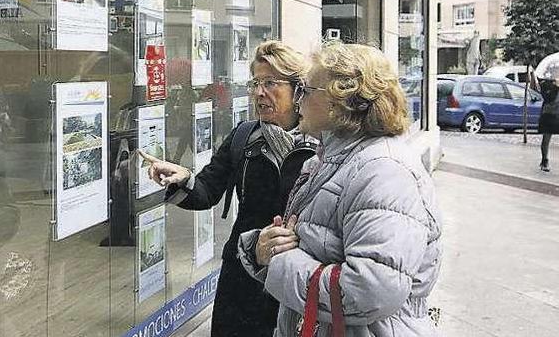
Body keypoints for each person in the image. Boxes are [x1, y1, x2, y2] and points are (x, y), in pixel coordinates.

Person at [238, 42, 442, 336]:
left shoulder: (384, 171)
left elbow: (370, 290)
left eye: (305, 90)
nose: (297, 101)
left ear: (341, 101)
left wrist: (279, 260)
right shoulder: (332, 159)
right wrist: (264, 245)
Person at [139, 40, 317, 337]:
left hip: (297, 272)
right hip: (242, 272)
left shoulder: (320, 145)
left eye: (271, 83)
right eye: (255, 83)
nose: (260, 93)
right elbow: (207, 190)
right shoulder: (244, 137)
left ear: (297, 90)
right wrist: (183, 178)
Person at [533, 72, 559, 172]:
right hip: (549, 115)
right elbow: (548, 99)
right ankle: (544, 161)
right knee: (546, 138)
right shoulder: (546, 84)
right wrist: (556, 87)